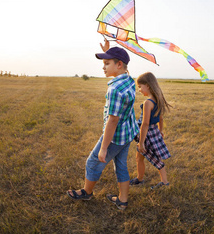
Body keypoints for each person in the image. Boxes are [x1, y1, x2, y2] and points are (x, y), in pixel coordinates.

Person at [67, 43, 139, 210]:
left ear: (119, 64)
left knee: (92, 162)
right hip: (127, 134)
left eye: (107, 63)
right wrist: (109, 51)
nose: (103, 67)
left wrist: (104, 147)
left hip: (115, 136)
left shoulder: (114, 89)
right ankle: (122, 200)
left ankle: (87, 192)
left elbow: (112, 121)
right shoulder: (129, 81)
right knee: (121, 165)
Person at [130, 72, 172, 190]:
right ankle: (139, 178)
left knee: (155, 158)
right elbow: (161, 118)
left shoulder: (148, 103)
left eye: (140, 86)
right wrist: (161, 130)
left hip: (147, 134)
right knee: (139, 157)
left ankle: (164, 182)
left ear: (147, 85)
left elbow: (145, 124)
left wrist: (142, 142)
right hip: (154, 132)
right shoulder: (158, 99)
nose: (139, 89)